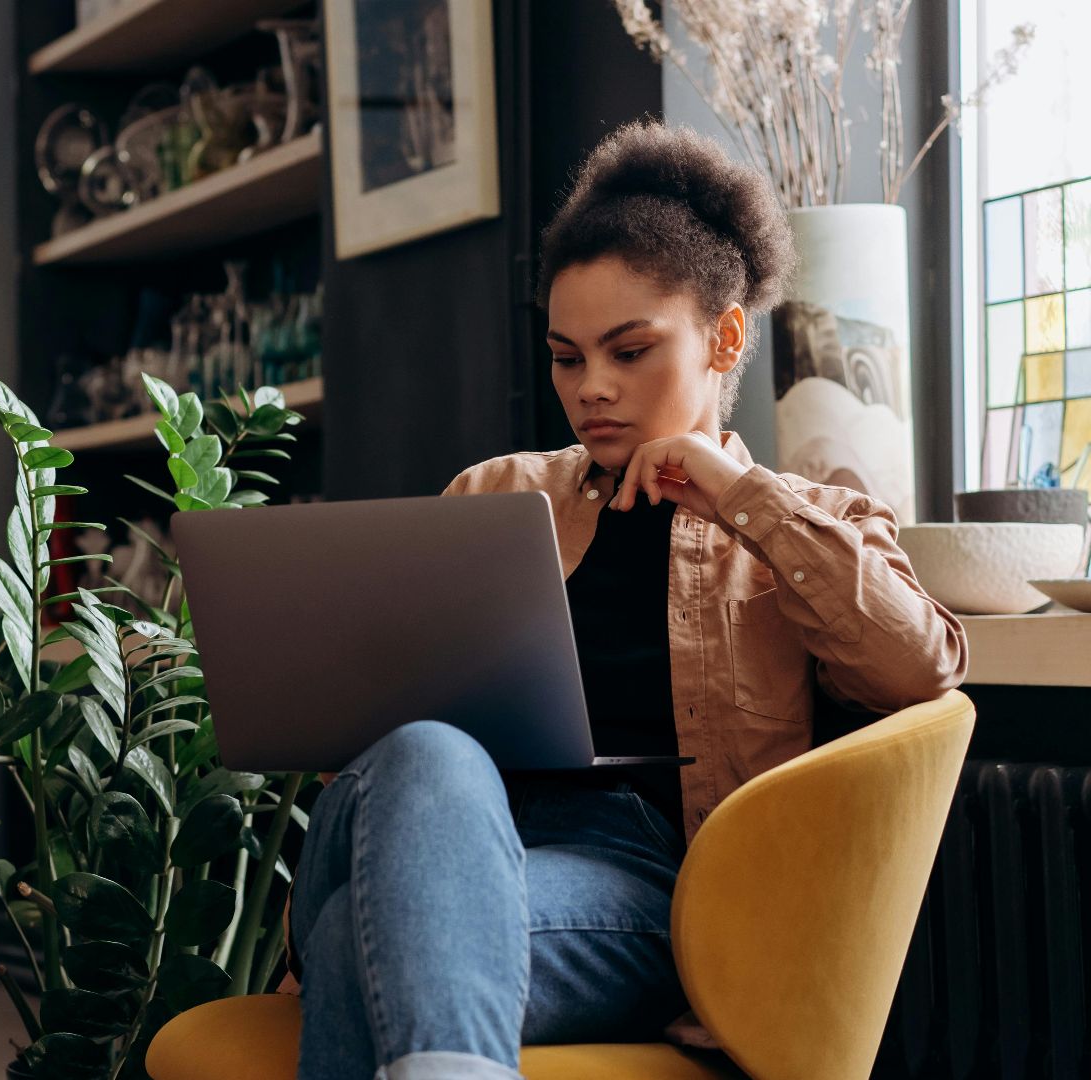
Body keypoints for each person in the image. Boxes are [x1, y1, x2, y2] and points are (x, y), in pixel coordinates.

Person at [288, 121, 967, 1080]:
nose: (591, 388)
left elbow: (921, 670)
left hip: (644, 885)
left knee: (358, 951)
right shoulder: (494, 495)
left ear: (725, 337)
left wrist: (738, 498)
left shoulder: (810, 520)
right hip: (422, 825)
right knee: (427, 756)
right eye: (567, 357)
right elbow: (370, 728)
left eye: (630, 350)